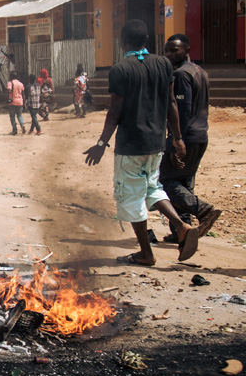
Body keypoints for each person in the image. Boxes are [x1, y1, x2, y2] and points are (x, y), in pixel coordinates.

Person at [83, 19, 198, 266]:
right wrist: (177, 138)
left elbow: (114, 112)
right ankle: (181, 225)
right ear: (147, 40)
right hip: (156, 143)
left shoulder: (120, 70)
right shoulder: (164, 64)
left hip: (131, 146)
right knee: (152, 188)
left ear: (122, 42)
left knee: (132, 197)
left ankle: (146, 253)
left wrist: (101, 144)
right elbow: (171, 104)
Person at [158, 34, 221, 243]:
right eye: (166, 50)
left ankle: (202, 210)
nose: (168, 54)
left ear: (187, 49)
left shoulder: (182, 75)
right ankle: (180, 232)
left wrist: (177, 140)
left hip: (186, 136)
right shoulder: (200, 72)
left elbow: (181, 109)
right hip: (201, 135)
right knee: (183, 181)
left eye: (173, 50)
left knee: (166, 180)